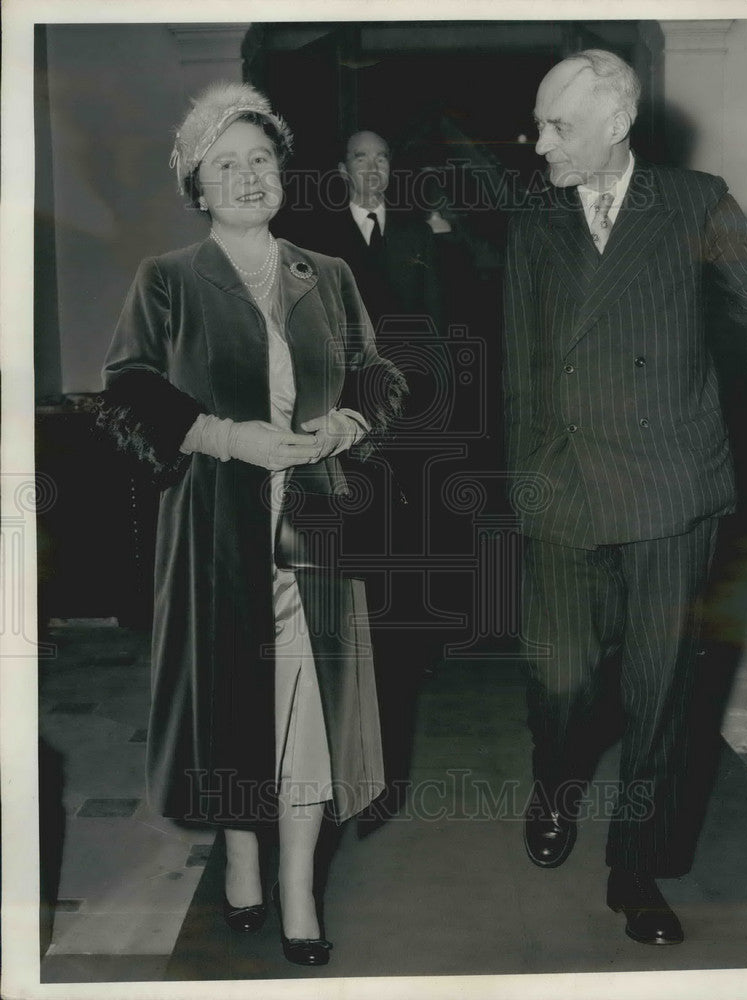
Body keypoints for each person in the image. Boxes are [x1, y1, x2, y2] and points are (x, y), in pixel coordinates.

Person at [96, 82, 407, 967]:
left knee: (311, 708)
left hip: (316, 531)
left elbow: (377, 376)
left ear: (282, 172)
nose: (245, 178)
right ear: (196, 187)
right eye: (222, 166)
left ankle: (300, 885)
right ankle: (240, 853)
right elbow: (126, 394)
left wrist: (347, 423)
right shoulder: (166, 279)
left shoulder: (328, 273)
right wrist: (227, 437)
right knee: (235, 706)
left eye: (259, 160)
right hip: (212, 529)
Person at [503, 50, 747, 946]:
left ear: (616, 125)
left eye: (559, 127)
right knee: (560, 679)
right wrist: (526, 484)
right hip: (564, 489)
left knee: (660, 691)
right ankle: (555, 780)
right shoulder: (534, 222)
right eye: (540, 123)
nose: (539, 142)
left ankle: (636, 869)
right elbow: (520, 369)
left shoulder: (697, 203)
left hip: (669, 488)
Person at [287, 130, 444, 836]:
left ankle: (404, 658)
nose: (373, 169)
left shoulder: (424, 233)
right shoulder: (310, 242)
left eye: (384, 158)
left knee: (406, 551)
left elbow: (444, 324)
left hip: (411, 425)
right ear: (341, 170)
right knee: (352, 559)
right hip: (340, 429)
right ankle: (357, 704)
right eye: (359, 159)